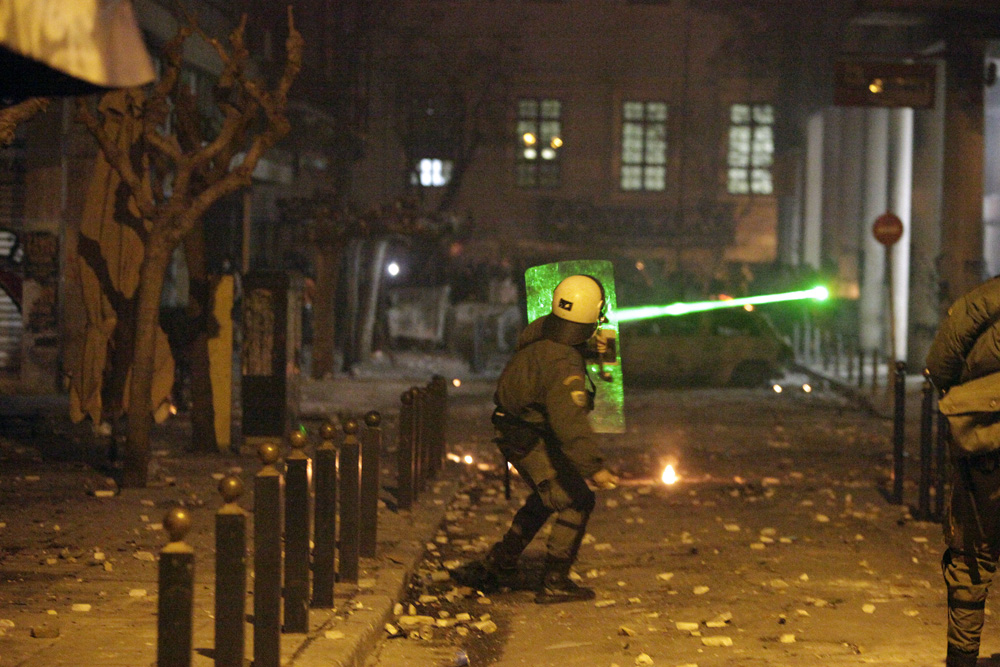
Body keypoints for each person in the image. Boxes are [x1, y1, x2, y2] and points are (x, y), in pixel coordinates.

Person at [455, 274, 619, 604]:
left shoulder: (544, 333)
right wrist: (594, 467)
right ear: (594, 309)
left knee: (547, 499)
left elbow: (561, 347)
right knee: (576, 500)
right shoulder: (563, 363)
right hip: (528, 437)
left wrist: (599, 348)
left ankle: (498, 564)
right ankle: (554, 580)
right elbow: (569, 421)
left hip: (518, 431)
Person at [926, 275, 1000, 667]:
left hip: (984, 442)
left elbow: (939, 366)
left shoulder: (982, 300)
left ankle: (962, 658)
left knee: (973, 555)